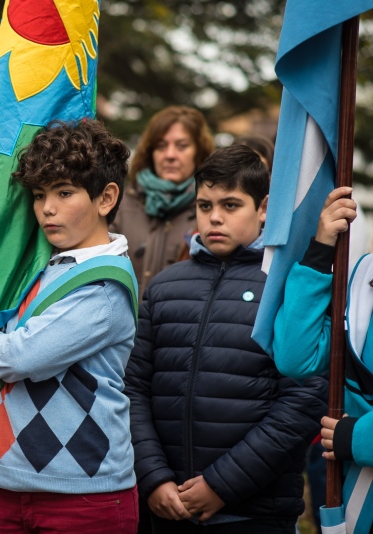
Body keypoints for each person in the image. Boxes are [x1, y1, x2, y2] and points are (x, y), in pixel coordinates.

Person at [124, 145, 327, 533]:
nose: (214, 217)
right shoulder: (165, 286)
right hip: (166, 506)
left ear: (263, 208)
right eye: (204, 205)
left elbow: (303, 398)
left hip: (253, 512)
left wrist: (222, 485)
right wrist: (153, 477)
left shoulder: (286, 287)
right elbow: (133, 389)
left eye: (231, 205)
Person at [0, 119, 139, 533]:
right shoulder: (36, 259)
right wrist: (4, 142)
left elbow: (19, 358)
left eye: (64, 192)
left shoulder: (104, 285)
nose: (46, 209)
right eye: (38, 195)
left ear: (106, 197)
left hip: (82, 495)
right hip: (4, 483)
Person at [271, 185, 373, 532]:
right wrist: (320, 250)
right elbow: (295, 357)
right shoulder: (362, 276)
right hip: (356, 504)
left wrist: (358, 437)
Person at [111, 105, 214, 297]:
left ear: (199, 152)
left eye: (182, 146)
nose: (170, 155)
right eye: (161, 146)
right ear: (150, 152)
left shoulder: (210, 210)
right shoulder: (119, 203)